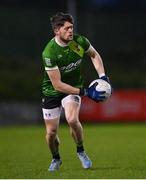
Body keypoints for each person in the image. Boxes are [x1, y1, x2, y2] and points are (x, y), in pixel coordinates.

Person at [41, 12, 111, 171]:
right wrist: (86, 92)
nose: (71, 31)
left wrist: (103, 77)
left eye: (72, 27)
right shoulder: (50, 52)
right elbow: (57, 85)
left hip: (72, 88)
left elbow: (94, 55)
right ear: (57, 31)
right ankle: (56, 158)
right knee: (51, 133)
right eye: (66, 28)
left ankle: (81, 150)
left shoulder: (76, 43)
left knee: (72, 119)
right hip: (51, 91)